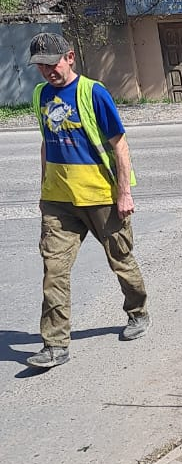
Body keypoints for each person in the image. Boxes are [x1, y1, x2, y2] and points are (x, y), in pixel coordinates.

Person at [27, 32, 149, 370]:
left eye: (52, 63)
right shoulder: (40, 95)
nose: (47, 71)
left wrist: (124, 193)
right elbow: (45, 143)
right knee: (54, 270)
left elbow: (119, 145)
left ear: (69, 57)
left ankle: (138, 312)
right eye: (40, 66)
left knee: (121, 259)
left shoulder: (92, 92)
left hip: (100, 197)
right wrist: (43, 189)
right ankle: (55, 345)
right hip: (58, 200)